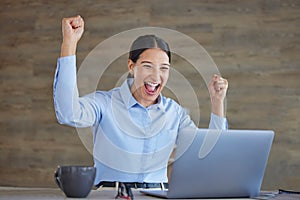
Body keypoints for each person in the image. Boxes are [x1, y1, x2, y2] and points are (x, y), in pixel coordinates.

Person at [53, 15, 229, 196]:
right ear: (131, 66)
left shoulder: (174, 113)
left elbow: (209, 154)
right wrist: (69, 44)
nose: (156, 76)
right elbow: (68, 113)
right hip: (109, 195)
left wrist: (217, 102)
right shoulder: (104, 103)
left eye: (164, 68)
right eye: (147, 66)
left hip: (158, 195)